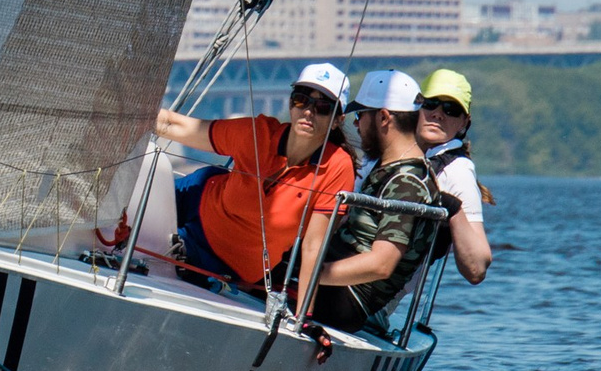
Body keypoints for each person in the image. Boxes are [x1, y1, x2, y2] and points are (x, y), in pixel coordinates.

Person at [152, 63, 356, 290]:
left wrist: (302, 318)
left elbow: (313, 246)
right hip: (197, 196)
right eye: (301, 100)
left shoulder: (338, 167)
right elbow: (176, 125)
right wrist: (119, 110)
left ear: (338, 120)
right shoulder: (259, 133)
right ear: (291, 103)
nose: (308, 111)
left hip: (221, 258)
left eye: (323, 107)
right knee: (130, 208)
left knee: (148, 254)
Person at [294, 69, 435, 337]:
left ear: (383, 117)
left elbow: (381, 263)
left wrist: (310, 273)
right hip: (338, 286)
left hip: (345, 300)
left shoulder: (407, 183)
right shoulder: (393, 170)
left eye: (360, 116)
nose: (356, 125)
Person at [412, 68, 492, 285]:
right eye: (431, 104)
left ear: (464, 122)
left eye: (451, 109)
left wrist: (452, 207)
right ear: (416, 106)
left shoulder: (458, 171)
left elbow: (477, 269)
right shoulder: (399, 153)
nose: (438, 114)